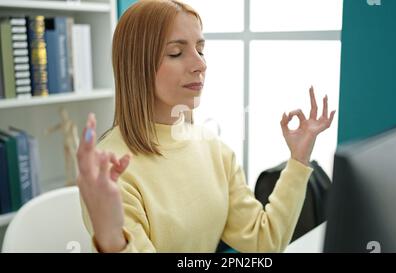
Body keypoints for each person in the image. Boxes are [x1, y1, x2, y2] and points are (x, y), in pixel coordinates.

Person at [76, 0, 335, 253]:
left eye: (200, 49)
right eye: (176, 52)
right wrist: (112, 240)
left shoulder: (214, 149)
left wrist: (299, 158)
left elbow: (264, 241)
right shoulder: (110, 170)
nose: (200, 65)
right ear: (137, 65)